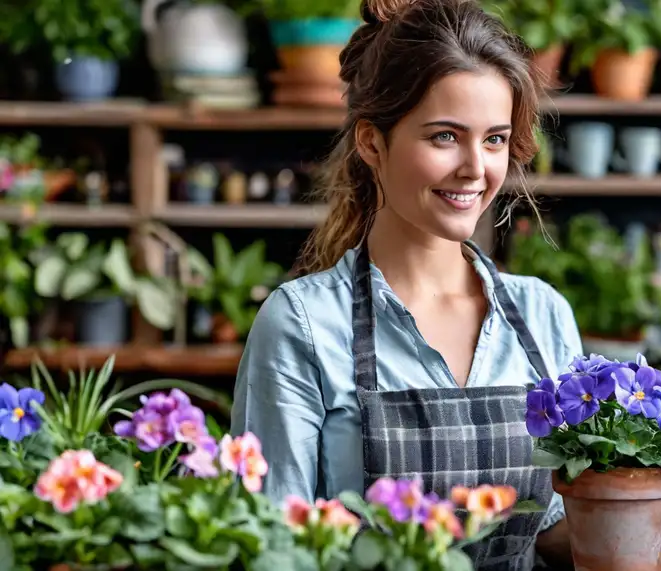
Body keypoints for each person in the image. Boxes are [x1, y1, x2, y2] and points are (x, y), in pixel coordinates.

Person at [231, 0, 578, 568]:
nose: (475, 168)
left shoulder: (541, 315)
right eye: (445, 136)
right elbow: (272, 542)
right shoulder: (304, 324)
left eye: (493, 139)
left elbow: (552, 532)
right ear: (372, 143)